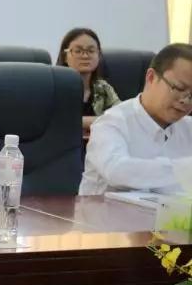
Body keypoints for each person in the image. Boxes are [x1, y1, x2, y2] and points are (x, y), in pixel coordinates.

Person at [79, 43, 192, 195]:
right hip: (104, 210)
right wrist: (182, 170)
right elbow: (116, 171)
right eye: (178, 88)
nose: (185, 101)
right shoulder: (111, 123)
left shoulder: (188, 128)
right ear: (151, 77)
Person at [57, 28, 120, 133]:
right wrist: (100, 121)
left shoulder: (103, 87)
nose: (85, 56)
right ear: (65, 57)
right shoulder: (55, 87)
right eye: (78, 51)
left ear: (98, 55)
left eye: (91, 51)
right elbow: (58, 122)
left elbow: (120, 116)